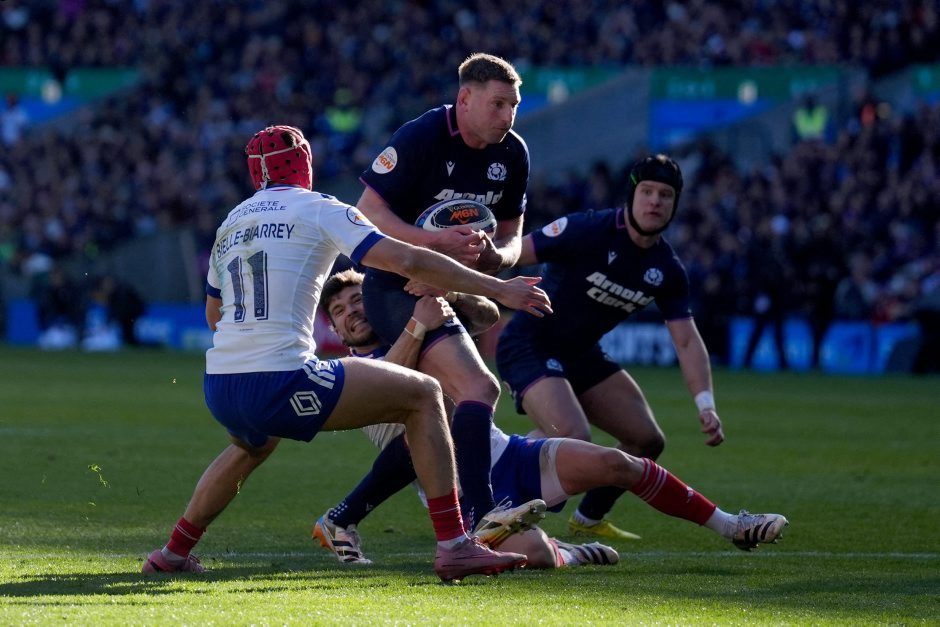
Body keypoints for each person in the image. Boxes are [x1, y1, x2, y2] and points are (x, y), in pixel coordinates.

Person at [142, 124, 553, 583]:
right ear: (305, 165)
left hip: (220, 383)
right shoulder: (319, 208)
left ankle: (173, 552)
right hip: (280, 378)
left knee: (251, 447)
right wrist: (498, 288)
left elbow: (214, 315)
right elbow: (407, 261)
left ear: (255, 174)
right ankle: (455, 545)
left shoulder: (231, 224)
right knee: (425, 395)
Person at [312, 270, 788, 568]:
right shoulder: (351, 373)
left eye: (358, 300)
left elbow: (485, 316)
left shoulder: (424, 329)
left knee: (618, 463)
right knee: (536, 554)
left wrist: (447, 290)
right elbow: (395, 378)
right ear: (334, 330)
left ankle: (731, 525)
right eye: (339, 311)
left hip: (510, 454)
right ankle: (570, 552)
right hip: (459, 493)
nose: (352, 312)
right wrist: (419, 322)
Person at [496, 154, 725, 541]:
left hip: (581, 353)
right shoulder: (588, 229)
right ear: (631, 196)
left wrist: (706, 405)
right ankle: (490, 498)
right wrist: (460, 282)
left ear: (675, 204)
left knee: (646, 440)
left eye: (665, 195)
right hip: (529, 342)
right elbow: (513, 252)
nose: (655, 201)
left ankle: (588, 519)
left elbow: (686, 340)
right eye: (647, 192)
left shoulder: (667, 269)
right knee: (572, 432)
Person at [355, 52, 530, 530]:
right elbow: (366, 212)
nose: (508, 116)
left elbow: (513, 238)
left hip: (455, 288)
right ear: (465, 98)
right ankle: (483, 515)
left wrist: (497, 257)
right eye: (498, 104)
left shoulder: (513, 153)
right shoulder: (422, 137)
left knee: (445, 411)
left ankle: (343, 517)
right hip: (397, 285)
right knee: (479, 387)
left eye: (514, 106)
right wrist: (431, 243)